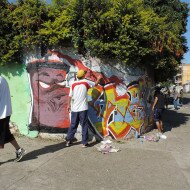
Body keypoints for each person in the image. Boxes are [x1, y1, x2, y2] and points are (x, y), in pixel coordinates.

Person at [65, 70, 102, 147]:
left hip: (74, 108)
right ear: (83, 76)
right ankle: (84, 143)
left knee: (73, 125)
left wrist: (68, 105)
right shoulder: (86, 82)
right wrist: (99, 78)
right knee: (84, 125)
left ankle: (68, 141)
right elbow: (95, 84)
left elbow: (70, 96)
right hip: (83, 108)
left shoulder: (73, 84)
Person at [0, 76, 25, 162]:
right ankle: (19, 150)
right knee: (6, 133)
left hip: (2, 113)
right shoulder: (2, 78)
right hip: (4, 112)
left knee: (4, 134)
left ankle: (19, 150)